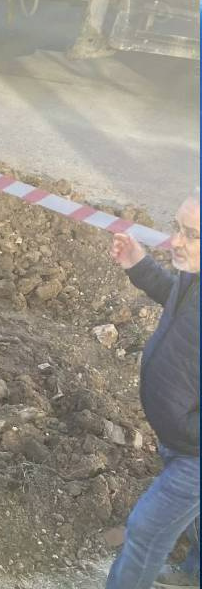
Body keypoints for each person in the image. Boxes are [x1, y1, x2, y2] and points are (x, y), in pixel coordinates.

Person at [106, 191, 200, 589]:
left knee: (145, 533)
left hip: (195, 452)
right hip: (180, 436)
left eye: (192, 234)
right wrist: (139, 266)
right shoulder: (194, 278)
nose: (177, 242)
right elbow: (176, 302)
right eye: (178, 229)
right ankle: (193, 572)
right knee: (193, 519)